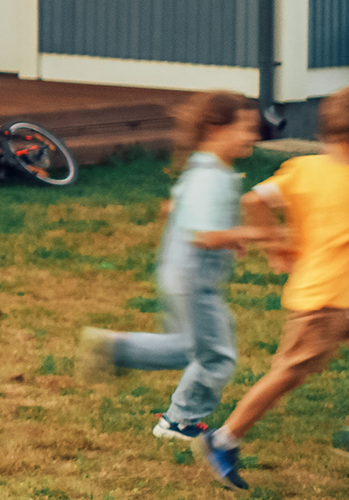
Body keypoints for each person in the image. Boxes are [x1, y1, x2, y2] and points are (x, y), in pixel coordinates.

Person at [203, 83, 349, 488]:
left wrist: (275, 246)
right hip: (325, 304)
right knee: (289, 372)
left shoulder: (303, 168)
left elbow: (255, 201)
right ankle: (223, 439)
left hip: (348, 298)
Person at [78, 91, 269, 446]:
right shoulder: (211, 174)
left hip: (180, 273)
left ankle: (115, 349)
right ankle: (179, 420)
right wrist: (252, 232)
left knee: (187, 347)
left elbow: (175, 210)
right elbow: (204, 234)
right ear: (216, 128)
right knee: (217, 356)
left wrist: (229, 237)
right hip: (196, 280)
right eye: (246, 129)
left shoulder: (202, 166)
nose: (253, 137)